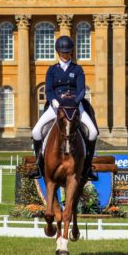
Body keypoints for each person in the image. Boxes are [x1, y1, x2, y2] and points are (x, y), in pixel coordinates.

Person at [27, 35, 99, 181]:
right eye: (62, 52)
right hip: (56, 108)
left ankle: (88, 166)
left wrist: (75, 102)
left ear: (71, 52)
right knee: (36, 132)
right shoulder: (52, 70)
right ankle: (38, 165)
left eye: (67, 52)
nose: (65, 55)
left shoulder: (77, 69)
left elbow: (81, 91)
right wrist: (53, 101)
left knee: (92, 132)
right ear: (58, 52)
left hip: (75, 107)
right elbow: (48, 89)